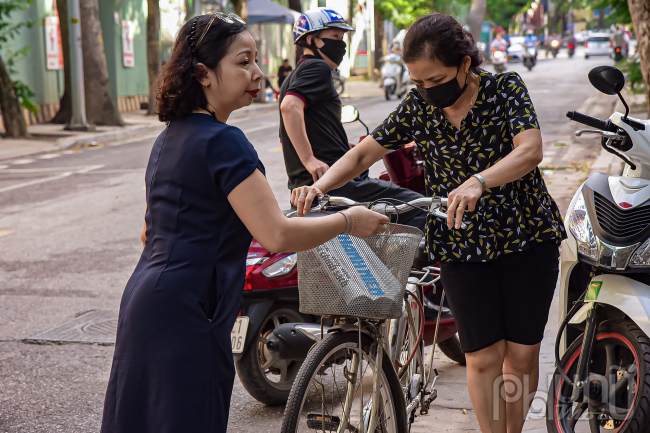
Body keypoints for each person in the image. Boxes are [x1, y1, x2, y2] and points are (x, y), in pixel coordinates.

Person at [100, 12, 388, 433]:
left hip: (146, 302)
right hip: (188, 310)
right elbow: (276, 233)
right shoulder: (224, 141)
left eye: (256, 60)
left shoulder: (170, 137)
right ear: (203, 74)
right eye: (243, 61)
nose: (258, 73)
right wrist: (348, 220)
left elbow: (150, 231)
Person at [293, 13, 566, 433]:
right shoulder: (419, 106)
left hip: (526, 236)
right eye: (418, 83)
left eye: (436, 80)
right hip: (460, 242)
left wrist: (478, 181)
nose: (427, 91)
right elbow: (364, 154)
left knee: (522, 355)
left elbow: (529, 151)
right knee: (481, 356)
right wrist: (320, 186)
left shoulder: (505, 90)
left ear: (464, 64)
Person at [279, 9, 426, 230]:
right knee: (421, 208)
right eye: (336, 37)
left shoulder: (294, 75)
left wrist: (337, 145)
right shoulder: (316, 67)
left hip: (311, 186)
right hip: (337, 185)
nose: (342, 45)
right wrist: (309, 159)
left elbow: (297, 125)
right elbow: (290, 107)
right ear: (312, 40)